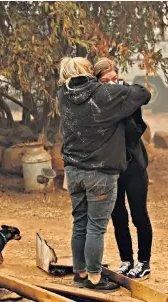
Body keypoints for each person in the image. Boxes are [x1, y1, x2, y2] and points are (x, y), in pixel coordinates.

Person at [57, 57, 151, 291]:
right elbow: (143, 93)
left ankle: (80, 274)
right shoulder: (102, 95)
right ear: (90, 75)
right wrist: (119, 88)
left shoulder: (64, 96)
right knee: (96, 227)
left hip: (74, 169)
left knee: (80, 223)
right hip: (100, 170)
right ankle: (95, 278)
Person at [92, 58, 153, 280]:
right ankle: (126, 260)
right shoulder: (97, 104)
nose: (111, 84)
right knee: (118, 217)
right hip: (111, 168)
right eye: (106, 81)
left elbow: (144, 93)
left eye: (115, 79)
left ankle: (144, 262)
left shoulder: (127, 96)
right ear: (97, 83)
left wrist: (122, 89)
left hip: (134, 165)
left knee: (139, 215)